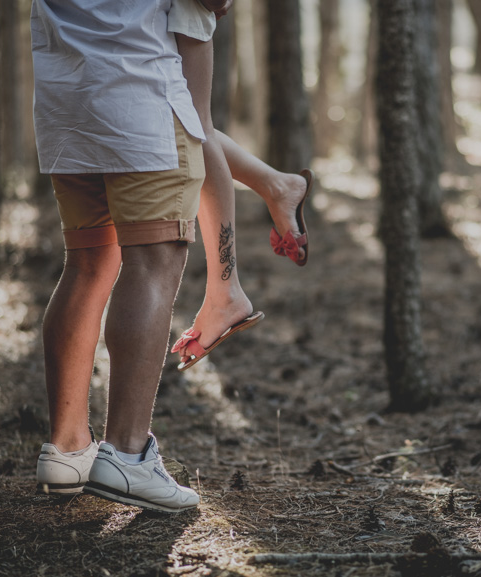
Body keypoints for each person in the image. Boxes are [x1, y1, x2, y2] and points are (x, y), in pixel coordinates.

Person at [32, 0, 205, 513]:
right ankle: (127, 454)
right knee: (153, 263)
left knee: (87, 265)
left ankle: (66, 450)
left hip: (67, 95)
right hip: (141, 91)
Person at [167, 0, 314, 371]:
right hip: (148, 16)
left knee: (193, 128)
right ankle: (277, 186)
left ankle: (225, 292)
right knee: (189, 127)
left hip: (180, 8)